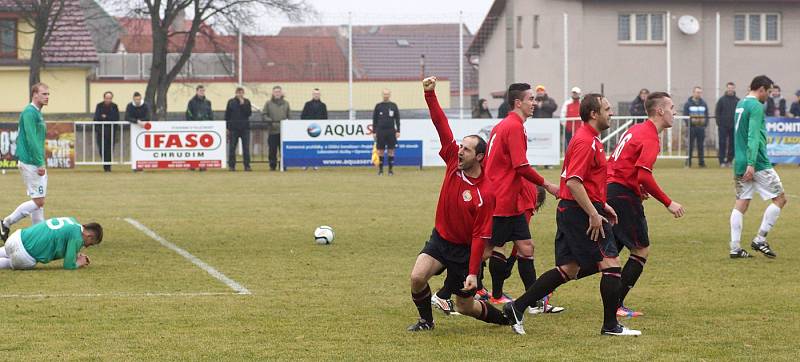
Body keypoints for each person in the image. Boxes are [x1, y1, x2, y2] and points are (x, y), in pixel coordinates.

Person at [503, 93, 641, 337]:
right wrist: (593, 213)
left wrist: (602, 204)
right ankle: (610, 326)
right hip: (580, 212)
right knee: (611, 264)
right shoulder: (585, 141)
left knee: (569, 269)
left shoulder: (590, 139)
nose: (611, 113)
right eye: (607, 109)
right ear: (593, 114)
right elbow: (574, 182)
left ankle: (517, 307)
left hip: (574, 208)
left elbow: (580, 182)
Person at [407, 76, 508, 331]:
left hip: (464, 252)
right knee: (417, 277)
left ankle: (507, 318)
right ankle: (426, 321)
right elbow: (441, 125)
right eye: (460, 147)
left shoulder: (486, 192)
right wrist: (430, 94)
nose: (460, 151)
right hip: (440, 239)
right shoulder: (454, 161)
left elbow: (479, 237)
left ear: (480, 157)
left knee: (465, 307)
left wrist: (473, 271)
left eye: (467, 149)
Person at [482, 83, 560, 327]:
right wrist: (548, 185)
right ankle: (445, 293)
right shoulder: (513, 126)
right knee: (485, 250)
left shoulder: (503, 125)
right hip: (502, 199)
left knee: (526, 248)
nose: (534, 103)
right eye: (531, 99)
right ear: (518, 102)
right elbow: (521, 166)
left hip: (510, 200)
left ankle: (533, 301)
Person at [606, 92, 686, 318]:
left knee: (605, 254)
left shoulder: (635, 130)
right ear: (660, 111)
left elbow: (620, 163)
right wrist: (668, 203)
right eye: (672, 107)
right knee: (641, 249)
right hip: (621, 195)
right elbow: (643, 176)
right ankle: (616, 305)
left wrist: (637, 189)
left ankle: (550, 284)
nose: (675, 111)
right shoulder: (650, 136)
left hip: (612, 190)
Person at [729, 75, 787, 259]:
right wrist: (751, 163)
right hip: (757, 162)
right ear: (761, 89)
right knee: (780, 199)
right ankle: (760, 239)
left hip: (739, 160)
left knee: (741, 203)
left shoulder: (740, 104)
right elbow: (753, 136)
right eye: (768, 92)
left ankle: (735, 247)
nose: (768, 96)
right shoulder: (756, 106)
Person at [0, 83, 50, 241]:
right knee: (38, 201)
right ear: (34, 94)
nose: (47, 96)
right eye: (43, 94)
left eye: (48, 94)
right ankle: (6, 223)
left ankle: (38, 234)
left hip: (34, 161)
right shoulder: (29, 112)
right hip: (31, 162)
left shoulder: (36, 113)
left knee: (38, 200)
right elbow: (31, 139)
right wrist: (39, 162)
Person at [0, 217, 102, 270]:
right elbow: (68, 266)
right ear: (89, 236)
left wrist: (75, 254)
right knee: (9, 262)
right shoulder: (77, 238)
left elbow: (61, 236)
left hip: (16, 237)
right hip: (24, 257)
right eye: (91, 243)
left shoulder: (71, 220)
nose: (87, 246)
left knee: (6, 250)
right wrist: (80, 262)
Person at [372, 89, 401, 176]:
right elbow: (374, 120)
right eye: (384, 94)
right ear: (382, 95)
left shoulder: (393, 105)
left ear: (390, 95)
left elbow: (397, 119)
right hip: (380, 131)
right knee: (380, 150)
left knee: (391, 150)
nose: (386, 95)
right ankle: (380, 171)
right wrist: (374, 131)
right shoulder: (378, 106)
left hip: (391, 131)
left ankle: (390, 171)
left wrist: (398, 130)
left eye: (387, 94)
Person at [225, 87, 253, 172]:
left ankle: (247, 165)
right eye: (238, 93)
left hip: (245, 128)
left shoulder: (247, 101)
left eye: (241, 93)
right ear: (235, 93)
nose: (240, 94)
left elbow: (249, 113)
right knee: (232, 148)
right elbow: (227, 115)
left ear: (243, 93)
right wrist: (227, 128)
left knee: (246, 148)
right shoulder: (231, 102)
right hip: (234, 129)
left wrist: (243, 104)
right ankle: (231, 166)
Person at [263, 86, 290, 171]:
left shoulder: (286, 103)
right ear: (273, 93)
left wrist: (288, 123)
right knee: (272, 150)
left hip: (283, 132)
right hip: (272, 131)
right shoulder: (268, 103)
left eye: (279, 91)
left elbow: (289, 116)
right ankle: (272, 165)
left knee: (283, 150)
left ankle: (283, 165)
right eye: (275, 92)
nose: (277, 93)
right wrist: (270, 121)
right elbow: (264, 115)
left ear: (281, 93)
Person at [93, 91, 119, 172]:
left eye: (110, 98)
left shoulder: (114, 106)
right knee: (102, 149)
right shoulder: (99, 106)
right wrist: (106, 118)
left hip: (111, 132)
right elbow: (96, 118)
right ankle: (105, 165)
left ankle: (108, 167)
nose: (108, 100)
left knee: (109, 150)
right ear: (104, 98)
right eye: (107, 98)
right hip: (101, 132)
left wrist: (105, 117)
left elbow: (115, 118)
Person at [715, 82, 739, 167]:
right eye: (729, 88)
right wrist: (719, 123)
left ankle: (729, 161)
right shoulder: (721, 100)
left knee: (732, 144)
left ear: (734, 88)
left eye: (732, 88)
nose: (730, 89)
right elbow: (717, 112)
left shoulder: (737, 100)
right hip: (723, 126)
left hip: (733, 126)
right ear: (726, 88)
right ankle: (721, 161)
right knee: (722, 143)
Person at [684, 86, 709, 168]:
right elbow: (685, 115)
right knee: (690, 146)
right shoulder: (688, 104)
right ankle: (688, 163)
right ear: (693, 93)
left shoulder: (704, 103)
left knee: (701, 146)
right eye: (697, 92)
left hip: (701, 128)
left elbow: (706, 115)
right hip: (692, 128)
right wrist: (689, 125)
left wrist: (705, 125)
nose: (699, 94)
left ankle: (701, 163)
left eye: (700, 92)